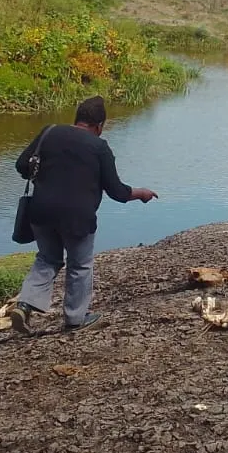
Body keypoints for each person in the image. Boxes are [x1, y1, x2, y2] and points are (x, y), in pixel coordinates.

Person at [10, 96, 157, 334]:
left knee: (48, 258)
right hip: (77, 217)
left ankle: (25, 304)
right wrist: (141, 193)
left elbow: (21, 166)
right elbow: (117, 192)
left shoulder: (50, 132)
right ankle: (76, 318)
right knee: (80, 265)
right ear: (100, 126)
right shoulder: (99, 147)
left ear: (77, 119)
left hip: (41, 210)